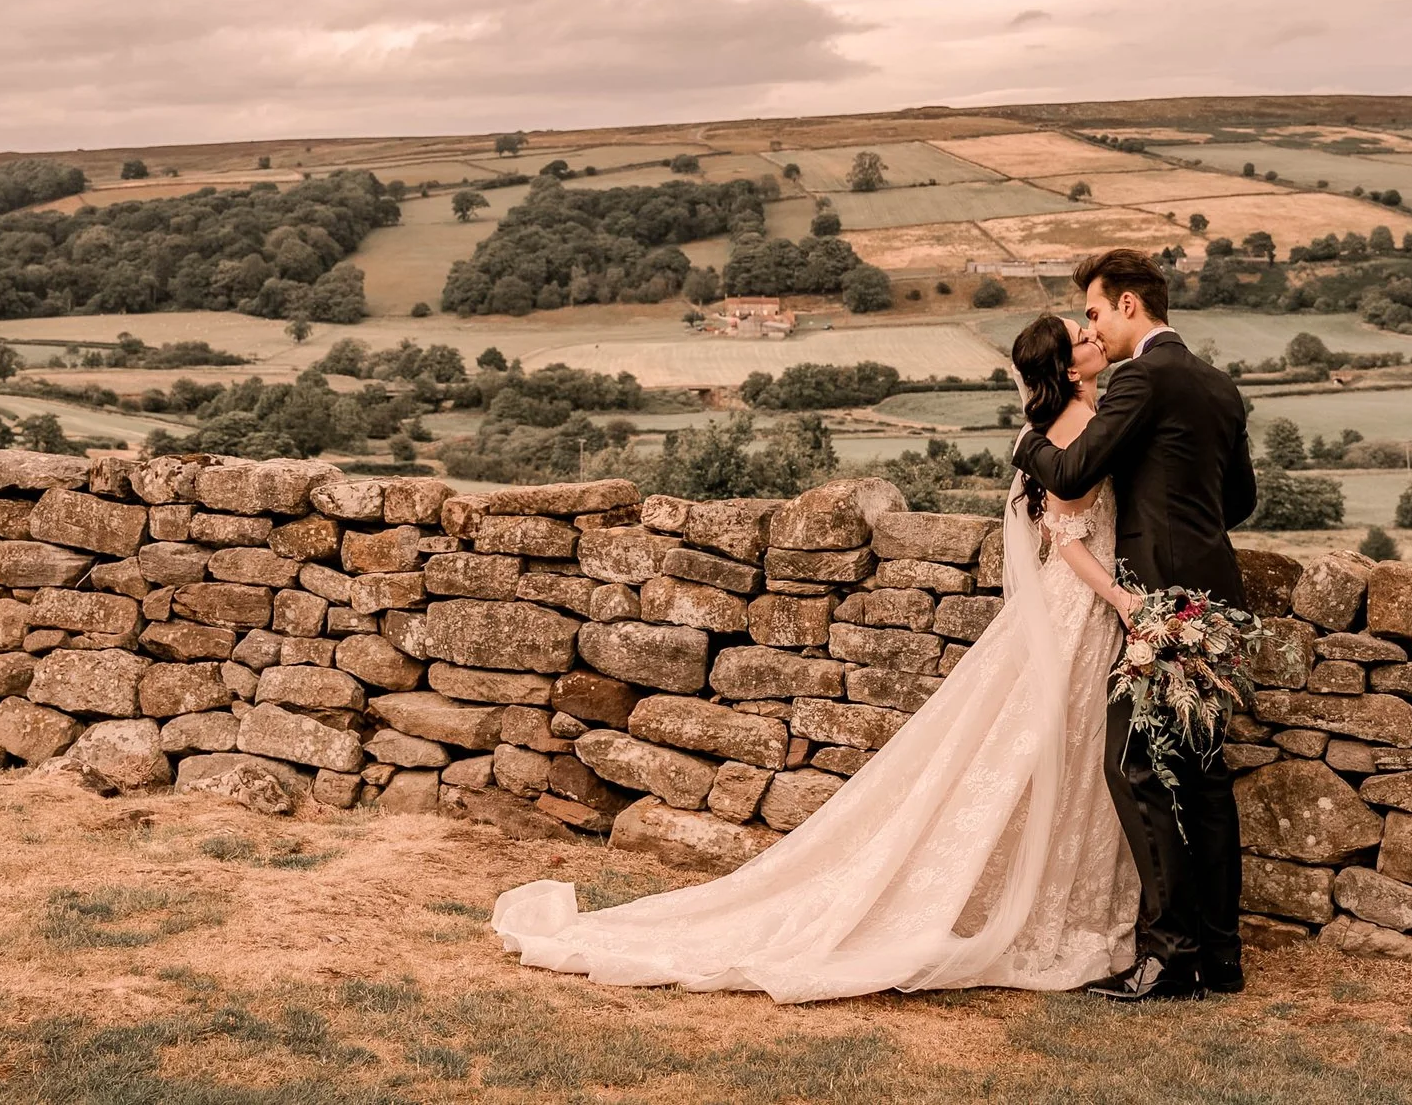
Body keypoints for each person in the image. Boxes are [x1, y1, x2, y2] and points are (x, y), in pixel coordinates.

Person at [489, 314, 1143, 1002]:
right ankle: (1035, 915)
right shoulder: (1069, 426)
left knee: (1060, 755)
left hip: (1079, 607)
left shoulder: (1089, 410)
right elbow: (1068, 533)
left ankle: (1062, 901)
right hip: (1080, 603)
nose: (1096, 336)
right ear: (1067, 369)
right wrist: (1122, 599)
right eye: (1083, 336)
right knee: (1051, 748)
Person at [1015, 247, 1255, 1003]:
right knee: (1205, 779)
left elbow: (1074, 471)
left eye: (1092, 311)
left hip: (1161, 606)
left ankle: (1169, 959)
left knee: (1139, 769)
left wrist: (1025, 441)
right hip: (1215, 600)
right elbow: (1239, 502)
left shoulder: (1142, 378)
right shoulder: (1218, 383)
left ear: (1127, 305)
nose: (1091, 325)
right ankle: (1220, 958)